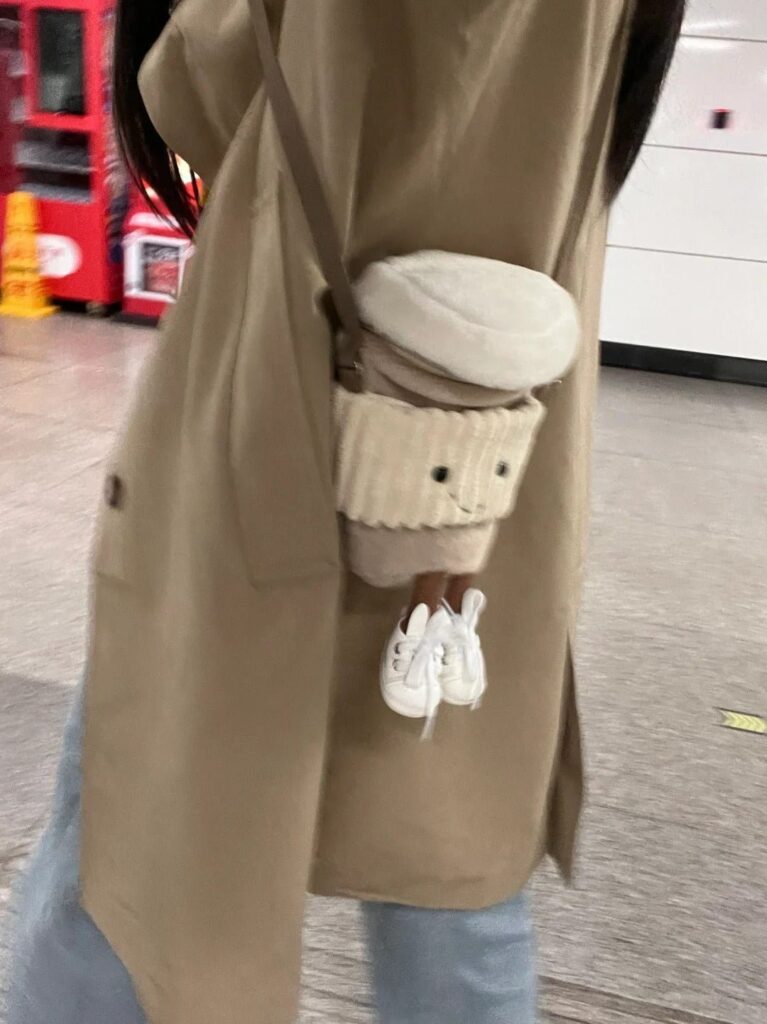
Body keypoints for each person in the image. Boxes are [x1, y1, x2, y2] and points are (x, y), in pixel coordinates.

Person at [7, 2, 685, 1022]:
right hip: (489, 435)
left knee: (140, 827)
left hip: (281, 410)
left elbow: (205, 85)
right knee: (451, 847)